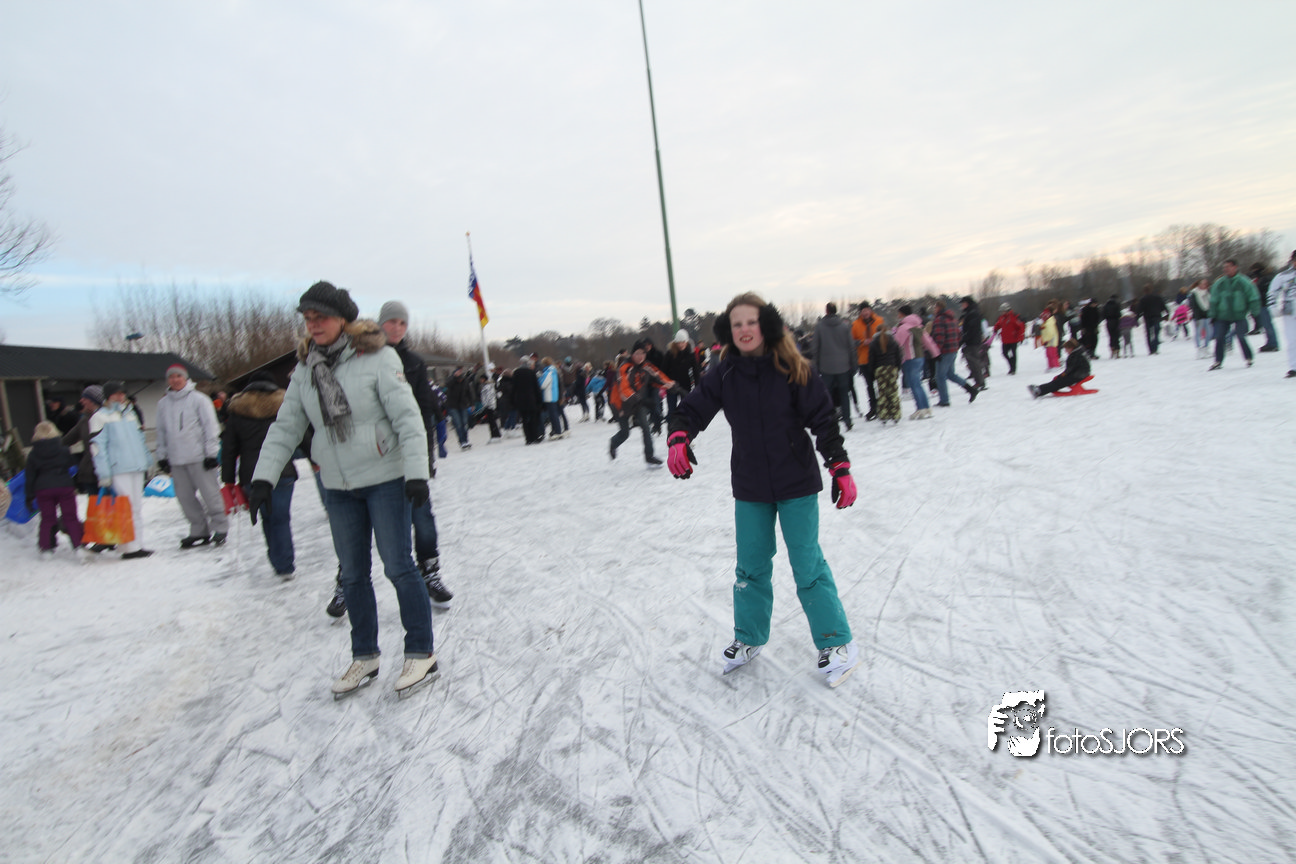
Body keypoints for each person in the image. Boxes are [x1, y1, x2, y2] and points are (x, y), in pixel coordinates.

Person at [247, 281, 437, 699]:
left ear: (343, 319)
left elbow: (408, 417)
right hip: (337, 484)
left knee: (398, 566)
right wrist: (263, 478)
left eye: (322, 317)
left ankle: (421, 652)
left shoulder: (377, 357)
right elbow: (286, 427)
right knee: (352, 575)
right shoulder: (305, 369)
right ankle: (365, 656)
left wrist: (416, 473)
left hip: (384, 479)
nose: (313, 325)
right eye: (308, 318)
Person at [666, 292, 861, 688]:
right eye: (736, 324)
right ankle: (749, 636)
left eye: (751, 322)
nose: (744, 329)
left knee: (807, 565)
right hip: (751, 484)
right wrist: (679, 436)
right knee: (750, 567)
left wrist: (839, 467)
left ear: (765, 325)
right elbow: (693, 407)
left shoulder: (793, 367)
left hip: (796, 482)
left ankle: (836, 642)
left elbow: (824, 420)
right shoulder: (724, 372)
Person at [220, 371, 298, 577]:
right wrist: (315, 459)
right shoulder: (284, 406)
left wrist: (228, 478)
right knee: (281, 517)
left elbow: (229, 448)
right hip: (283, 470)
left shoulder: (237, 411)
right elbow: (302, 433)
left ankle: (277, 559)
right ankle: (284, 563)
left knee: (267, 517)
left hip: (252, 474)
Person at [155, 364, 228, 548]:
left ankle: (220, 527)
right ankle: (199, 529)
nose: (175, 380)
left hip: (199, 457)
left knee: (210, 494)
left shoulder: (199, 399)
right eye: (172, 377)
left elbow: (210, 427)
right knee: (185, 498)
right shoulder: (163, 404)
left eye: (178, 376)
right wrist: (162, 455)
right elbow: (161, 432)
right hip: (176, 459)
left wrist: (211, 453)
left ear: (186, 378)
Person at [89, 381, 154, 559]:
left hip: (136, 466)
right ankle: (128, 547)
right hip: (118, 468)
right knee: (126, 508)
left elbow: (140, 439)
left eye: (122, 393)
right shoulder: (99, 417)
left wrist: (146, 459)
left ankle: (137, 544)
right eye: (116, 393)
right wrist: (104, 473)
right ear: (108, 396)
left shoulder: (130, 414)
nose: (120, 397)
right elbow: (97, 448)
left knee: (136, 507)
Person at [609, 340, 676, 465]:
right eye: (637, 353)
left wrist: (673, 386)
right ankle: (613, 443)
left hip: (637, 402)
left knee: (645, 426)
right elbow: (624, 390)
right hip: (620, 403)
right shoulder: (625, 367)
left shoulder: (646, 366)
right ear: (632, 354)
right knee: (625, 433)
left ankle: (649, 455)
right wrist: (642, 400)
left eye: (643, 353)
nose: (640, 356)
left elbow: (658, 376)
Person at [25, 420, 84, 556]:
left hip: (43, 488)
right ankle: (79, 546)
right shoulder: (63, 449)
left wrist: (29, 496)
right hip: (64, 486)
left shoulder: (33, 454)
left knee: (47, 519)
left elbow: (30, 476)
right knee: (71, 517)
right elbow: (71, 466)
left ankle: (46, 549)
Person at [811, 302, 857, 430]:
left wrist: (816, 365)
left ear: (826, 311)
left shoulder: (820, 327)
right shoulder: (844, 326)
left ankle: (830, 419)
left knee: (827, 395)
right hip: (843, 365)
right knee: (844, 394)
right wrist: (853, 364)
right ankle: (847, 419)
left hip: (826, 366)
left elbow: (815, 348)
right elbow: (851, 347)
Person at [1208, 260, 1260, 371]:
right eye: (1224, 267)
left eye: (1228, 267)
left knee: (1241, 336)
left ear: (1235, 267)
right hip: (1222, 315)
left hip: (1239, 314)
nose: (1225, 269)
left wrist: (1255, 313)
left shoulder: (1244, 281)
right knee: (1219, 337)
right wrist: (1213, 315)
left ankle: (1248, 358)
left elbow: (1253, 297)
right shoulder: (1220, 283)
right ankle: (1218, 361)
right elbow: (1213, 300)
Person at [894, 305, 939, 420]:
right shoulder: (918, 326)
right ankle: (926, 407)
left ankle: (921, 408)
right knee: (918, 384)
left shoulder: (904, 328)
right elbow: (928, 341)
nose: (898, 315)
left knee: (914, 385)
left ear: (902, 314)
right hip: (920, 357)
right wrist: (936, 354)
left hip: (909, 359)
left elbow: (897, 344)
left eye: (899, 313)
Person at [930, 299, 978, 406]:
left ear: (938, 308)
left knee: (940, 376)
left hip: (944, 351)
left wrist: (936, 352)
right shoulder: (952, 318)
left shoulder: (939, 319)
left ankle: (944, 400)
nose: (934, 310)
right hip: (953, 350)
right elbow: (958, 334)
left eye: (935, 307)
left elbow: (939, 337)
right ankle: (971, 389)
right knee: (950, 374)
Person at [62, 385, 104, 495]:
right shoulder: (85, 420)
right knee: (95, 504)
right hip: (89, 473)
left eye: (85, 398)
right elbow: (66, 440)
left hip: (108, 471)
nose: (81, 401)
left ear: (93, 401)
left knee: (110, 504)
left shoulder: (108, 418)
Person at [850, 302, 885, 421]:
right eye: (863, 311)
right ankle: (873, 407)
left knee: (881, 384)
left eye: (867, 310)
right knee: (869, 385)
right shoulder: (855, 325)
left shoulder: (879, 321)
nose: (865, 313)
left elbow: (886, 336)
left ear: (870, 310)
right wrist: (861, 342)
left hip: (879, 358)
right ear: (860, 312)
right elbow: (851, 342)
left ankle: (883, 406)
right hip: (864, 359)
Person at [1269, 251, 1296, 378]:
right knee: (1292, 340)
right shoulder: (1283, 276)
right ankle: (1294, 367)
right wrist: (1272, 306)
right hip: (1289, 312)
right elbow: (1272, 292)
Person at [660, 330, 700, 415]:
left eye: (683, 342)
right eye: (678, 343)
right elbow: (663, 370)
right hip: (672, 385)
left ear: (686, 342)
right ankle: (672, 421)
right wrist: (666, 383)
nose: (681, 345)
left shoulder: (690, 353)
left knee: (685, 408)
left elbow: (696, 371)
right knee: (672, 410)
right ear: (675, 343)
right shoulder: (670, 353)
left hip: (685, 385)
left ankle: (684, 422)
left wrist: (697, 387)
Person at [867, 327, 903, 424]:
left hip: (880, 370)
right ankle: (896, 414)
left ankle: (884, 415)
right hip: (892, 368)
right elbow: (898, 356)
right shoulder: (893, 342)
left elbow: (871, 359)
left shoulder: (873, 343)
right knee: (893, 392)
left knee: (882, 392)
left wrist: (872, 372)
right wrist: (898, 368)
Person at [958, 296, 989, 391]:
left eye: (963, 304)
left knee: (974, 362)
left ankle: (980, 382)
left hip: (973, 342)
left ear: (967, 304)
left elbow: (971, 330)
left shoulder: (972, 314)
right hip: (971, 341)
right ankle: (978, 381)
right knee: (972, 362)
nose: (962, 306)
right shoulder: (971, 313)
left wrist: (963, 339)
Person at [513, 356, 545, 444]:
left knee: (524, 420)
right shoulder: (531, 372)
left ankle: (528, 438)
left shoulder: (516, 373)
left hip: (521, 400)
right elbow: (536, 387)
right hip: (531, 399)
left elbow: (514, 388)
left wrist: (513, 400)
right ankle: (535, 436)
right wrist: (539, 399)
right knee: (533, 419)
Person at [444, 366, 475, 450]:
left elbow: (469, 392)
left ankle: (466, 440)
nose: (460, 380)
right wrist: (454, 377)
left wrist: (472, 404)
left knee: (464, 423)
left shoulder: (465, 381)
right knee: (458, 424)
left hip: (463, 405)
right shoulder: (451, 380)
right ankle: (462, 442)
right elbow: (447, 384)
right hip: (453, 406)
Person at [993, 302, 1026, 375]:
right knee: (1004, 353)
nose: (1002, 312)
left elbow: (1020, 327)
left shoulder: (1014, 317)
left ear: (1007, 310)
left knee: (1013, 354)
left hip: (1013, 339)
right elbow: (998, 324)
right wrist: (995, 328)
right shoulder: (1001, 318)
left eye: (1003, 311)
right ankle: (1011, 364)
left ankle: (1013, 369)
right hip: (1005, 339)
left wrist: (1021, 337)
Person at [538, 357, 567, 439]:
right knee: (554, 414)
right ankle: (557, 430)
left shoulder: (548, 372)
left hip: (549, 396)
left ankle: (557, 431)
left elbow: (543, 384)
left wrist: (539, 378)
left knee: (553, 415)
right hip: (553, 395)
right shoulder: (553, 371)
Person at [1136, 284, 1168, 355]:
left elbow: (1139, 310)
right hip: (1156, 316)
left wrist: (1137, 318)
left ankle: (1151, 349)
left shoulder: (1142, 299)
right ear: (1151, 290)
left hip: (1147, 317)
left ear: (1144, 291)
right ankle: (1155, 347)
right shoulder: (1157, 297)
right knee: (1156, 332)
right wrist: (1167, 314)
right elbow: (1163, 306)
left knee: (1148, 334)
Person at [1188, 279, 1213, 359]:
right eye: (1202, 284)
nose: (1204, 285)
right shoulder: (1194, 293)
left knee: (1209, 332)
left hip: (1207, 315)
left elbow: (1211, 303)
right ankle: (1199, 349)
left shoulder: (1208, 293)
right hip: (1198, 316)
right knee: (1198, 332)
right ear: (1198, 285)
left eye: (1206, 284)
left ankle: (1206, 347)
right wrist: (1197, 316)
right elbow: (1192, 306)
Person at [1102, 295, 1123, 360]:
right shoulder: (1116, 305)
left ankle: (1112, 351)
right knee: (1116, 337)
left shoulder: (1106, 306)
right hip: (1116, 322)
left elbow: (1103, 315)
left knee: (1111, 337)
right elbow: (1119, 314)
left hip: (1109, 322)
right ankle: (1117, 352)